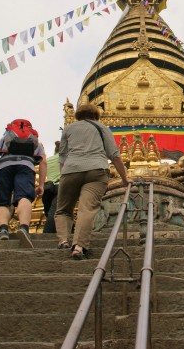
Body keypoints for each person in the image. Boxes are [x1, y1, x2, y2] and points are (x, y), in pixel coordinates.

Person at [55, 103, 129, 260]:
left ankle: (63, 240)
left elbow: (62, 155)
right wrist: (125, 178)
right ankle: (79, 246)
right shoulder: (102, 128)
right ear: (96, 115)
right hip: (97, 170)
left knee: (63, 209)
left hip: (71, 170)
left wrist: (64, 174)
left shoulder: (68, 128)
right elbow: (114, 155)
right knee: (86, 208)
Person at [0, 119, 47, 248]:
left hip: (4, 167)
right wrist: (41, 185)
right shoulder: (35, 141)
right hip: (26, 166)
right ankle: (24, 228)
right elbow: (43, 162)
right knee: (24, 197)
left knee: (2, 202)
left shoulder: (5, 138)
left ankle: (3, 229)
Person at [41, 140, 61, 233]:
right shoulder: (65, 159)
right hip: (59, 186)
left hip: (48, 188)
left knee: (50, 212)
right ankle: (46, 234)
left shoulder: (48, 160)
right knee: (55, 213)